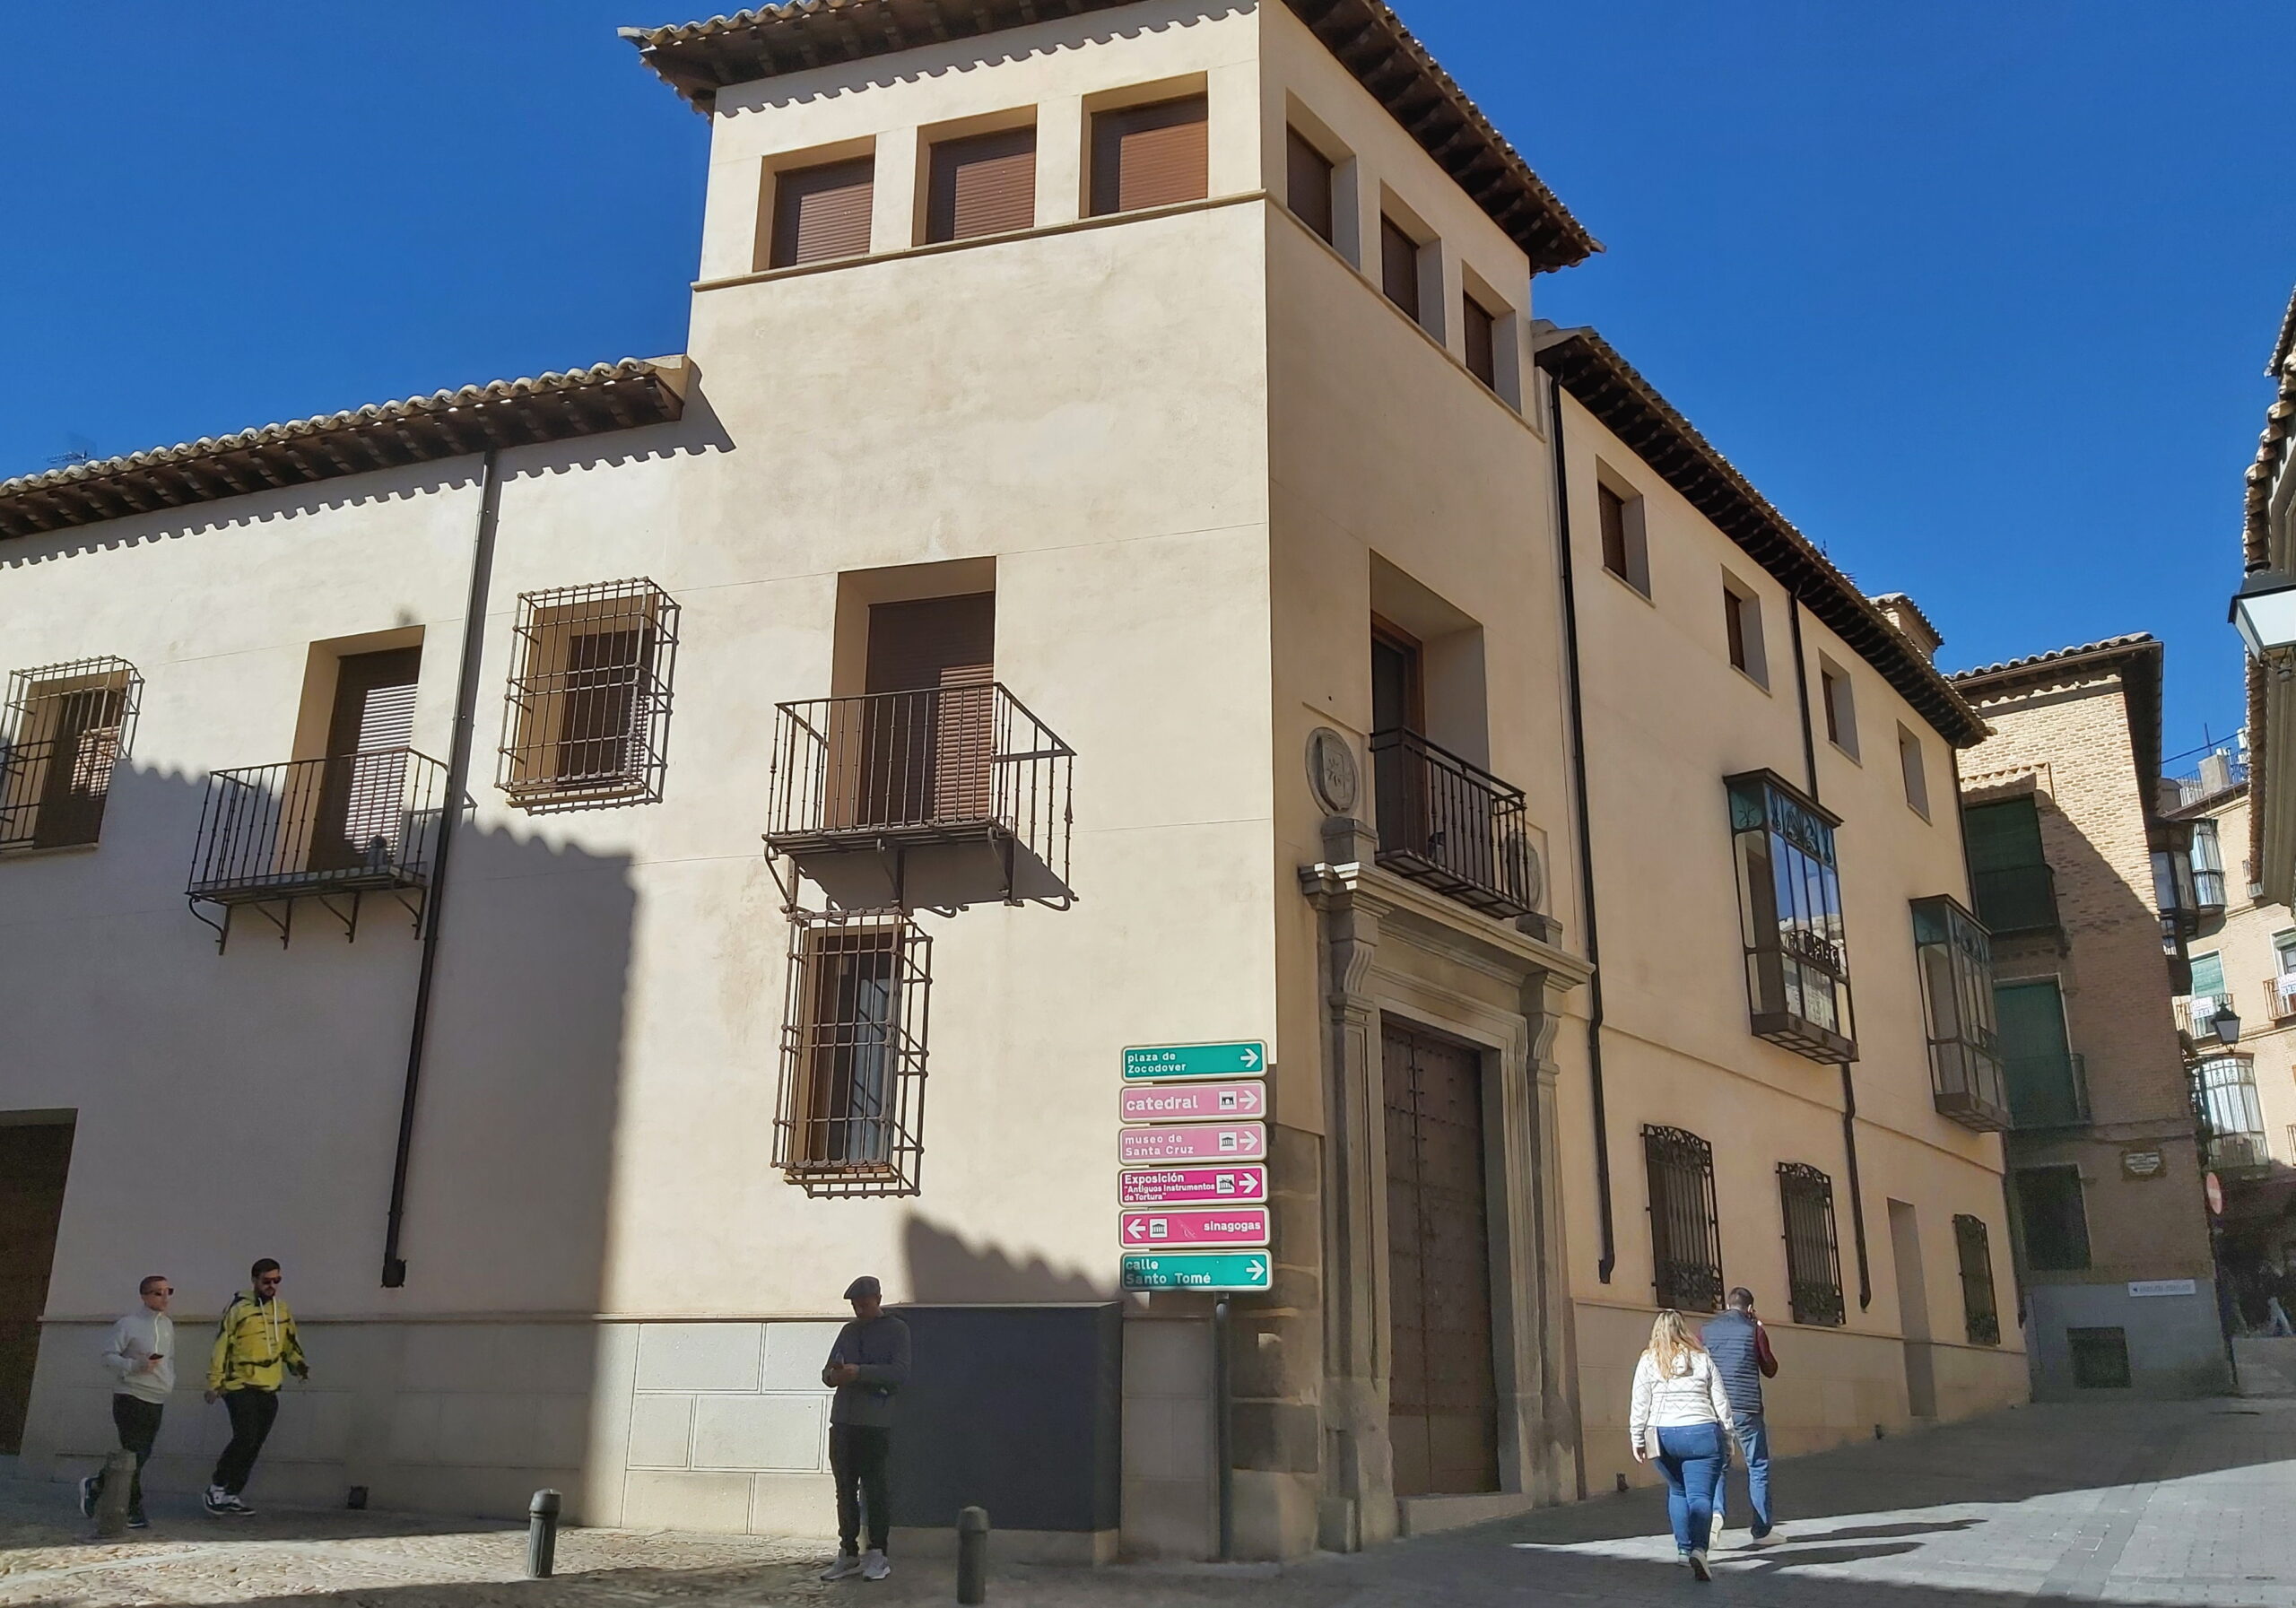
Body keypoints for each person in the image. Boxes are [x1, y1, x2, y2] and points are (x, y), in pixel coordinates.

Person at [1629, 1308, 1735, 1581]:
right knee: (1701, 1497)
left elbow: (1639, 1404)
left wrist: (1636, 1438)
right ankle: (1699, 1549)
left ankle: (1682, 1549)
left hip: (1663, 1435)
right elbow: (1721, 1403)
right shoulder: (1702, 1359)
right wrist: (1728, 1439)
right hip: (1701, 1432)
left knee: (1677, 1491)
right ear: (1683, 1330)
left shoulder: (1648, 1361)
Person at [819, 1275, 911, 1584]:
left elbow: (898, 1373)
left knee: (875, 1489)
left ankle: (877, 1554)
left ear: (878, 1299)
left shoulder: (897, 1330)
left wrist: (860, 1373)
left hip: (874, 1422)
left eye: (864, 1304)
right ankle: (847, 1552)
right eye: (855, 1306)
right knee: (844, 1489)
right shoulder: (848, 1331)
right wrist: (834, 1375)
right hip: (843, 1421)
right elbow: (827, 1371)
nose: (859, 1310)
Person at [204, 1259, 307, 1517]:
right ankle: (216, 1486)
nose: (272, 1286)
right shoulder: (238, 1308)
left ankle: (232, 1492)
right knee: (245, 1436)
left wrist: (298, 1366)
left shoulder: (282, 1310)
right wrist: (215, 1383)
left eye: (277, 1281)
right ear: (254, 1280)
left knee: (256, 1442)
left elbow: (289, 1343)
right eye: (266, 1281)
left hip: (269, 1384)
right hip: (239, 1384)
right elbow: (221, 1344)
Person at [81, 1274, 174, 1529]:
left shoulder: (166, 1325)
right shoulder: (128, 1324)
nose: (164, 1297)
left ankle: (97, 1484)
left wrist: (168, 1381)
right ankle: (132, 1508)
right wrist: (134, 1365)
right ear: (144, 1296)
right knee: (134, 1452)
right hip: (130, 1396)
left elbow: (167, 1360)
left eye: (168, 1291)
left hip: (156, 1396)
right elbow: (107, 1357)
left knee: (141, 1454)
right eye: (158, 1292)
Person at [1702, 1287, 1782, 1548]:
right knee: (1757, 1466)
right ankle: (1761, 1531)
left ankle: (1714, 1517)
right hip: (1747, 1408)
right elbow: (1770, 1368)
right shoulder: (1754, 1330)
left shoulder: (1707, 1330)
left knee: (1718, 1467)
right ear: (1749, 1308)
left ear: (1727, 1304)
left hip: (1716, 1408)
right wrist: (1759, 1328)